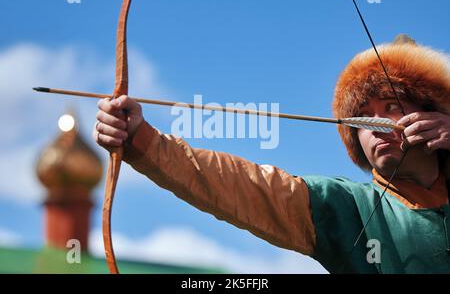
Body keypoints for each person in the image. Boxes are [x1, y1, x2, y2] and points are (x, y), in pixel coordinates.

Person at [94, 35, 450, 273]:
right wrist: (141, 140)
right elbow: (243, 185)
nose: (374, 125)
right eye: (360, 117)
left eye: (390, 106)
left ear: (433, 113)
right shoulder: (345, 208)